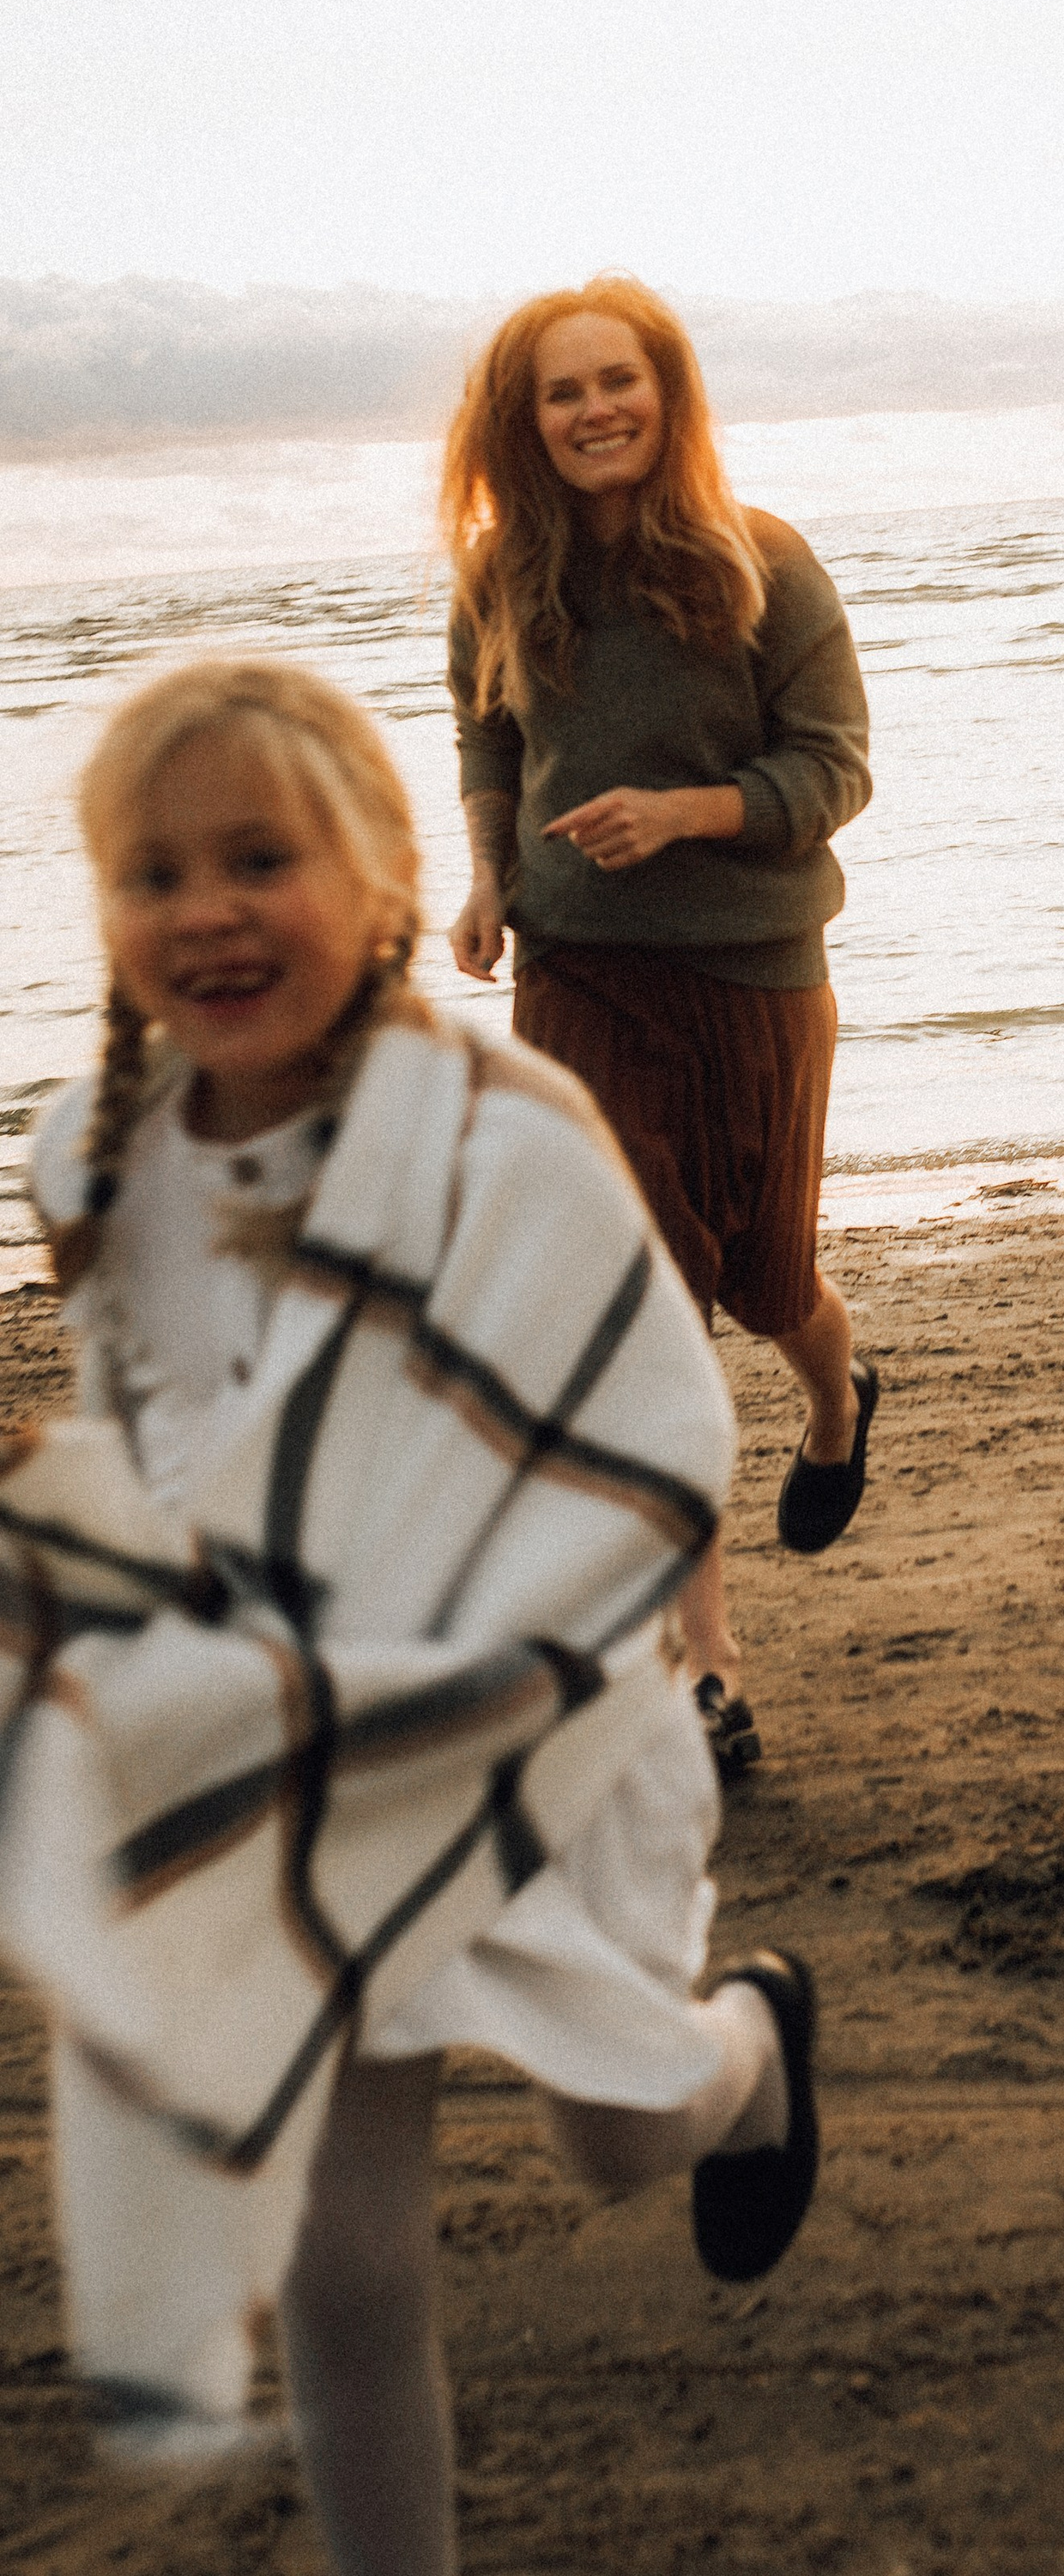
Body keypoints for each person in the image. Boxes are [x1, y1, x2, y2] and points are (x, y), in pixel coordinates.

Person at [7, 659, 821, 2571]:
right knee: (340, 2251)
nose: (205, 908)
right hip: (293, 1752)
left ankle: (752, 2057)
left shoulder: (500, 1134)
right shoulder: (95, 1157)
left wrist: (506, 1652)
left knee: (610, 2132)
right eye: (153, 872)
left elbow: (649, 1427)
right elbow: (158, 1440)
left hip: (534, 1718)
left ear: (382, 876)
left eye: (258, 858)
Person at [441, 277, 880, 1778]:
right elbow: (488, 731)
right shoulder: (502, 577)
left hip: (756, 972)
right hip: (580, 978)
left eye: (615, 381)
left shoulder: (767, 565)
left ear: (665, 392)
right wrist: (491, 877)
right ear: (526, 421)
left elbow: (835, 773)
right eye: (561, 393)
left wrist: (690, 813)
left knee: (764, 1278)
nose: (592, 411)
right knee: (646, 1319)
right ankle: (708, 1665)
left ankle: (839, 1389)